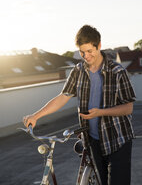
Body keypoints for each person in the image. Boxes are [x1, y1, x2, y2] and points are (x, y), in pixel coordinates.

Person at [23, 25, 136, 185]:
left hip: (118, 140)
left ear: (99, 46)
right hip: (94, 141)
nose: (86, 56)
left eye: (90, 51)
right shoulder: (78, 71)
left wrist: (100, 113)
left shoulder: (117, 72)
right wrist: (36, 116)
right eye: (82, 52)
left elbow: (128, 108)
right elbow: (63, 97)